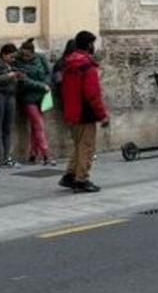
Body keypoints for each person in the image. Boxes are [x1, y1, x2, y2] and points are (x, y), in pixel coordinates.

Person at [58, 31, 109, 193]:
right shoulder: (87, 65)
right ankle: (81, 179)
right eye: (93, 43)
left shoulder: (69, 63)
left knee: (78, 145)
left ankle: (70, 175)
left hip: (72, 110)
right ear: (89, 45)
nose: (94, 47)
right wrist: (102, 115)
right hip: (85, 112)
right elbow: (92, 93)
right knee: (87, 147)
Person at [13, 39, 54, 165]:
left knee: (35, 126)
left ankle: (33, 153)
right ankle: (46, 154)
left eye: (28, 55)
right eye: (23, 55)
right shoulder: (18, 63)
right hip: (28, 97)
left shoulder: (40, 58)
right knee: (38, 124)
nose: (25, 57)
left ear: (33, 53)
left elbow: (48, 73)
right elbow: (24, 80)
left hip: (41, 97)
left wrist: (46, 84)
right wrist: (42, 86)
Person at [0, 43, 23, 170]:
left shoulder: (11, 65)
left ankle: (7, 158)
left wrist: (19, 77)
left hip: (10, 97)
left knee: (8, 129)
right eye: (11, 57)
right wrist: (8, 76)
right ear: (4, 54)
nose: (13, 59)